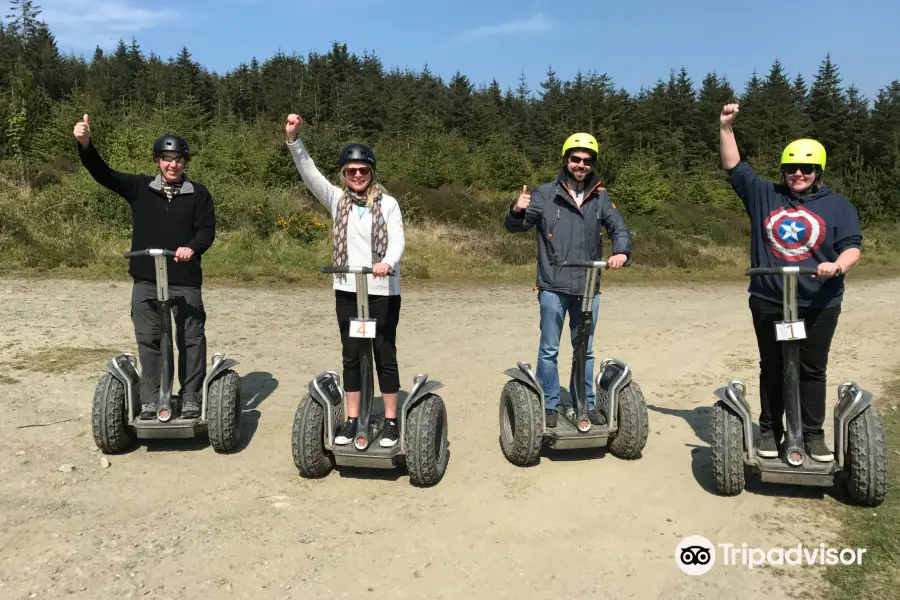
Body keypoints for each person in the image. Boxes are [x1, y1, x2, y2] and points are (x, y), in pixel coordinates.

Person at [718, 102, 862, 462]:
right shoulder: (765, 195)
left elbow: (852, 247)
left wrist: (837, 267)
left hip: (818, 301)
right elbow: (735, 166)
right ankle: (770, 431)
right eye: (792, 168)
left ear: (818, 171)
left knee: (812, 369)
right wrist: (725, 128)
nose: (799, 173)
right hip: (770, 298)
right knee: (773, 365)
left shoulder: (838, 204)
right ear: (783, 171)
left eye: (807, 168)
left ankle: (813, 436)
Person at [73, 114, 216, 420]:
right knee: (148, 338)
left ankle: (190, 397)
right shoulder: (139, 187)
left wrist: (192, 247)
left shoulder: (198, 193)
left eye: (178, 160)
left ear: (185, 162)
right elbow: (104, 174)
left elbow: (206, 230)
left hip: (184, 279)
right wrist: (85, 145)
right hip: (146, 279)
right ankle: (151, 399)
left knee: (191, 339)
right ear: (157, 161)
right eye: (166, 159)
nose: (172, 165)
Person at [284, 113, 406, 448]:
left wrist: (386, 263)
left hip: (382, 291)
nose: (357, 176)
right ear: (344, 174)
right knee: (352, 353)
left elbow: (397, 239)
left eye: (362, 170)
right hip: (349, 290)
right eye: (351, 171)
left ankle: (391, 421)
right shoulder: (337, 201)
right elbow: (310, 175)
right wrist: (294, 141)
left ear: (371, 172)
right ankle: (354, 419)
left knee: (383, 352)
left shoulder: (389, 204)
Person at [504, 132, 632, 428]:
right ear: (566, 160)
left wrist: (621, 252)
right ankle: (549, 403)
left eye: (587, 161)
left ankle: (582, 401)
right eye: (575, 159)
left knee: (584, 349)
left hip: (588, 287)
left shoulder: (600, 196)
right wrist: (516, 209)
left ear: (592, 164)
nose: (581, 165)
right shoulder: (544, 194)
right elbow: (516, 226)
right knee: (549, 348)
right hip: (552, 285)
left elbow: (619, 228)